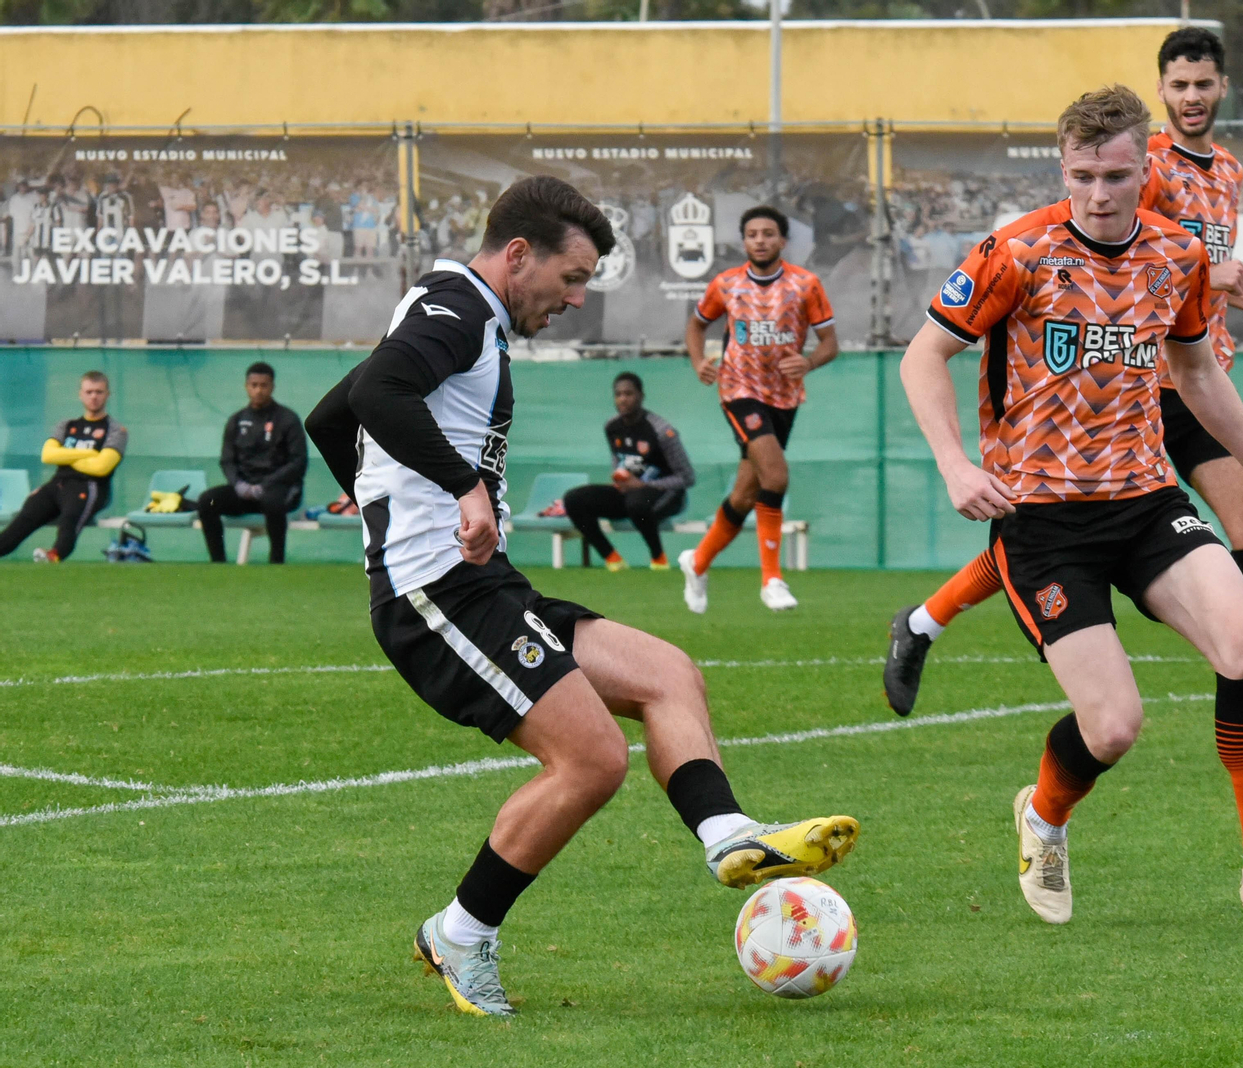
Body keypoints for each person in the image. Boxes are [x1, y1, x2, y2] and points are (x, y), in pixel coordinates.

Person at [304, 176, 858, 1018]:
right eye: (571, 279)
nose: (575, 299)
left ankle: (727, 835)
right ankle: (460, 934)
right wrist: (452, 494)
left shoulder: (463, 315)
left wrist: (381, 495)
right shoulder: (457, 307)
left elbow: (331, 415)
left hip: (482, 582)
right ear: (517, 254)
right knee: (593, 761)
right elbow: (378, 394)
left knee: (667, 673)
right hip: (435, 593)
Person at [900, 85, 1243, 933]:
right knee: (1113, 728)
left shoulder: (1175, 254)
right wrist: (955, 464)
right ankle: (1044, 816)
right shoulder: (1015, 251)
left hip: (1146, 501)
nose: (1100, 194)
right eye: (1083, 177)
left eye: (1115, 177)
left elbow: (1198, 374)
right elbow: (923, 356)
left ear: (1142, 169)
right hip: (1043, 521)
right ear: (1063, 169)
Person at [680, 205, 839, 613]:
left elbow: (830, 344)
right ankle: (772, 580)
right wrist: (699, 361)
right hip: (739, 390)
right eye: (752, 234)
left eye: (768, 233)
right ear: (744, 242)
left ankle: (697, 562)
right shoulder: (726, 284)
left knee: (746, 493)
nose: (760, 240)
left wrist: (808, 362)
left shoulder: (805, 285)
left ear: (782, 240)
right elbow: (697, 324)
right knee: (776, 475)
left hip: (784, 396)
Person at [562, 371, 696, 571]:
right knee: (574, 499)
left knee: (636, 503)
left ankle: (659, 559)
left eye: (628, 394)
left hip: (667, 496)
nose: (623, 399)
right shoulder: (612, 426)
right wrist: (620, 478)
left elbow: (687, 477)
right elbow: (619, 459)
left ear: (641, 396)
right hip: (631, 494)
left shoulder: (661, 431)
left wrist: (643, 484)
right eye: (618, 394)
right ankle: (613, 559)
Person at [0, 370, 126, 563]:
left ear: (107, 395)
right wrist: (89, 453)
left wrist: (65, 456)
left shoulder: (116, 429)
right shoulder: (66, 426)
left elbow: (101, 467)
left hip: (89, 486)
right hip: (57, 484)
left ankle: (54, 555)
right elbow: (48, 455)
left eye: (99, 392)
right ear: (80, 394)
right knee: (25, 516)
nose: (94, 397)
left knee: (70, 518)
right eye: (89, 392)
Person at [196, 362, 307, 565]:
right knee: (207, 501)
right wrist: (238, 485)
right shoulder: (236, 420)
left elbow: (298, 462)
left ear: (272, 387)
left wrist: (265, 485)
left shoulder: (288, 419)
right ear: (246, 386)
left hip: (277, 490)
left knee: (273, 502)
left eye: (264, 385)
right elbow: (227, 460)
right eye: (254, 385)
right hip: (244, 491)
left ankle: (276, 563)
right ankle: (218, 563)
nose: (258, 390)